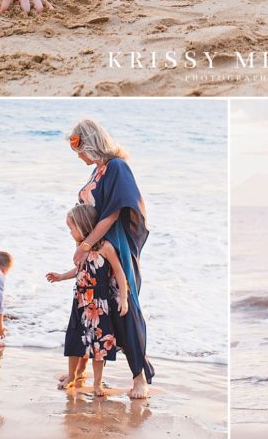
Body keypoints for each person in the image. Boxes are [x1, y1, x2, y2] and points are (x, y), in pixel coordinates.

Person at [67, 118, 154, 398]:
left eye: (79, 149)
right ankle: (77, 373)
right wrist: (84, 245)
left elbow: (114, 212)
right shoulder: (97, 171)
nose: (78, 155)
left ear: (91, 144)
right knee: (89, 309)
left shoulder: (116, 166)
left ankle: (139, 377)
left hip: (112, 248)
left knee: (122, 308)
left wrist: (88, 244)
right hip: (93, 250)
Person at [47, 204, 130, 396]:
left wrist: (123, 298)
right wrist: (61, 276)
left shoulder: (105, 247)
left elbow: (118, 271)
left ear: (83, 225)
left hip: (100, 303)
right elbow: (81, 271)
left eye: (71, 228)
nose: (70, 233)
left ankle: (97, 384)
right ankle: (72, 376)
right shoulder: (80, 248)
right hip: (80, 301)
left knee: (100, 344)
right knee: (75, 340)